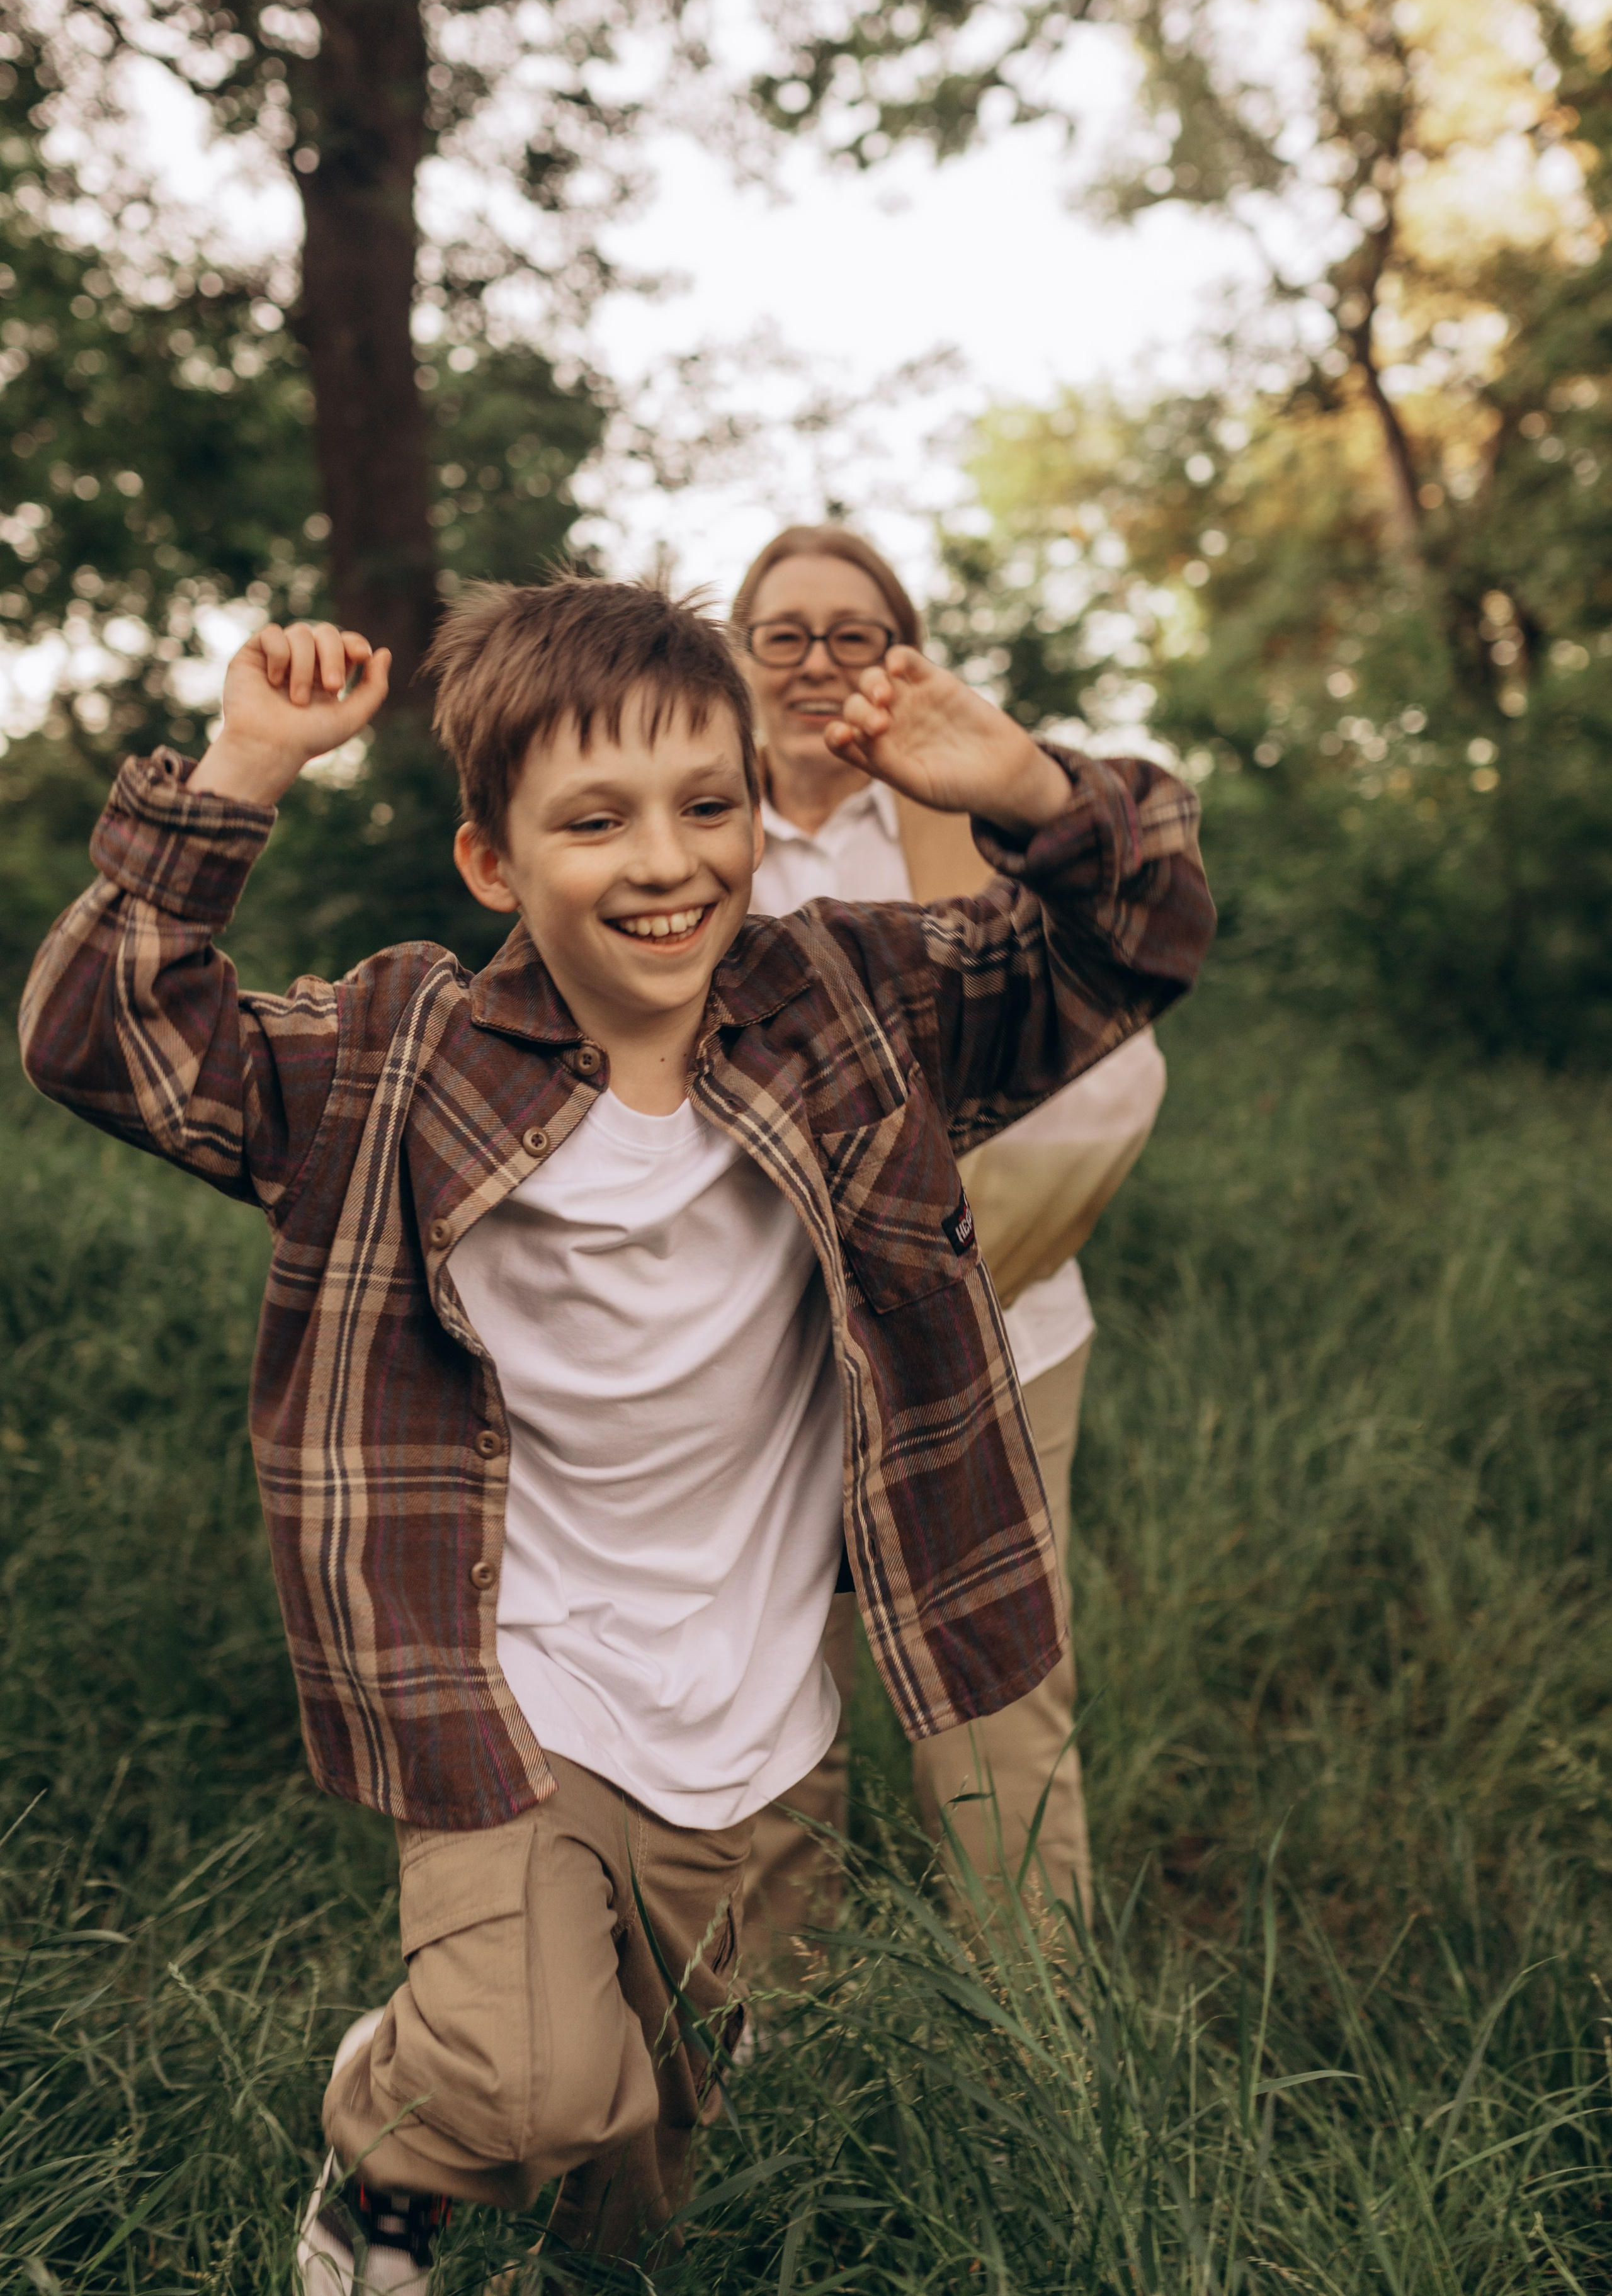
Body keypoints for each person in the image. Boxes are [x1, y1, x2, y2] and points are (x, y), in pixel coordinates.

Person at [20, 577, 1212, 2292]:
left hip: (753, 1712)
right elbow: (100, 1035)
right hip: (513, 1685)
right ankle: (389, 2134)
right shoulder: (403, 1059)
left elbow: (1140, 940)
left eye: (706, 806)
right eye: (595, 821)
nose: (666, 862)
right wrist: (247, 764)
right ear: (493, 862)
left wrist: (1024, 789)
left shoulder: (852, 1007)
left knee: (650, 2179)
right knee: (533, 2086)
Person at [735, 524, 1169, 1965]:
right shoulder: (686, 823)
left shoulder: (971, 811)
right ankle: (764, 2018)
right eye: (783, 632)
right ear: (736, 657)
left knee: (995, 1694)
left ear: (900, 655)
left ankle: (1032, 2030)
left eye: (852, 634)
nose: (816, 661)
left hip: (994, 1326)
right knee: (753, 1682)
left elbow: (1098, 1012)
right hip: (755, 1341)